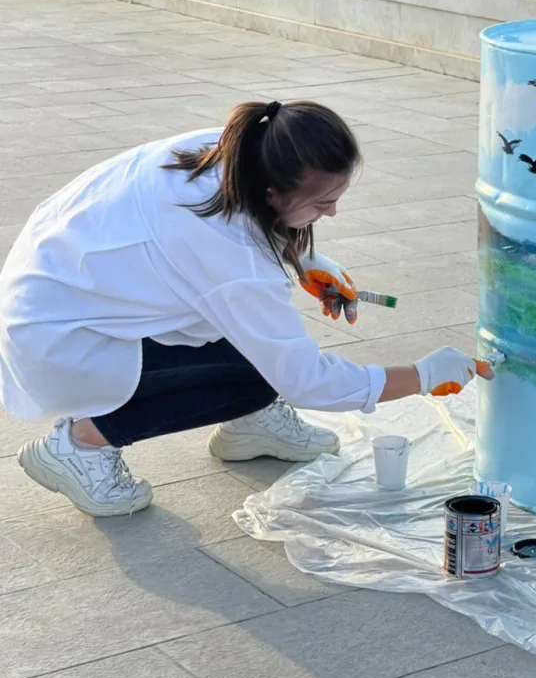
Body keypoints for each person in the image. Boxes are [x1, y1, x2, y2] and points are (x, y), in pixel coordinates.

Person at [0, 99, 492, 518]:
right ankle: (81, 445)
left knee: (259, 347)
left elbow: (246, 227)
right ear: (274, 193)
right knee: (268, 367)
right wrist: (424, 375)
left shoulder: (243, 146)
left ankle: (249, 423)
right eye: (323, 204)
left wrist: (306, 260)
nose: (333, 213)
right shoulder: (231, 257)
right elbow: (308, 381)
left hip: (57, 291)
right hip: (58, 345)